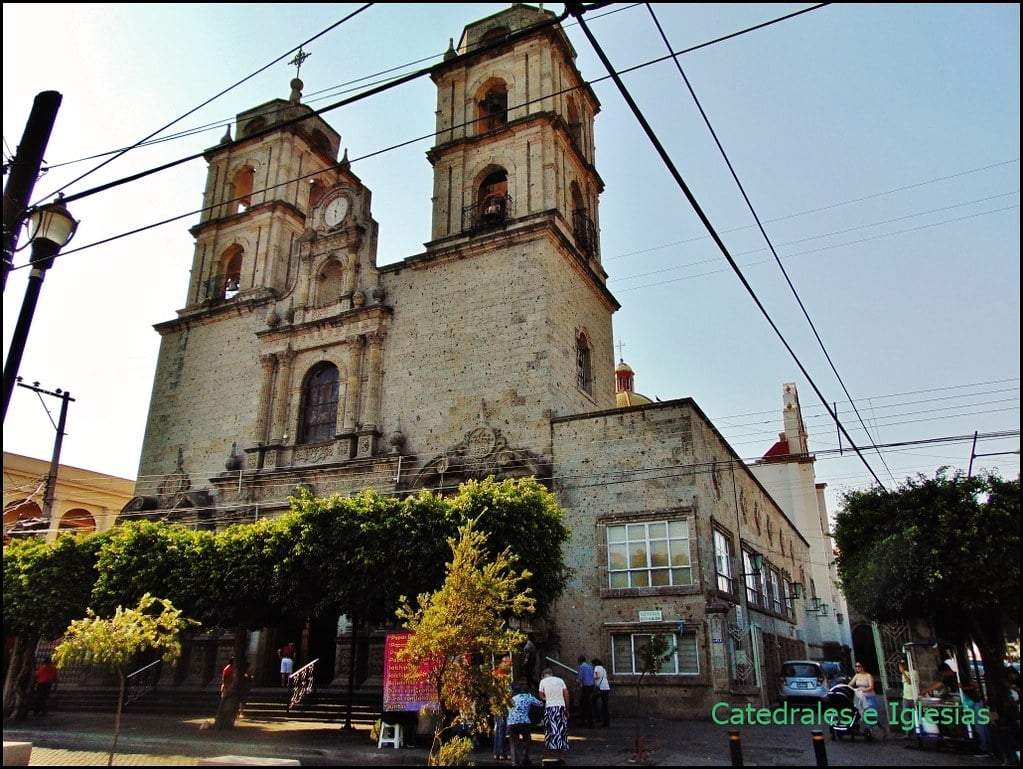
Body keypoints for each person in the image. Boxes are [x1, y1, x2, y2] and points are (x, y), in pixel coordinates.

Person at [506, 682, 543, 767]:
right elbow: (540, 704)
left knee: (513, 743)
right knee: (527, 740)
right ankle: (525, 758)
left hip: (512, 722)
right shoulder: (528, 697)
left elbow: (508, 709)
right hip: (524, 722)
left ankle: (515, 762)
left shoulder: (512, 699)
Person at [538, 667, 570, 758]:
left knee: (550, 729)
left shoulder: (543, 682)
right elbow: (566, 694)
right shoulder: (560, 680)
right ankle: (561, 752)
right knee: (561, 729)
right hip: (561, 706)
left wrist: (546, 698)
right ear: (551, 674)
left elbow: (541, 694)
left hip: (550, 707)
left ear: (544, 675)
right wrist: (567, 709)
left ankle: (550, 752)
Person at [492, 654, 512, 760]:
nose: (509, 664)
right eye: (508, 662)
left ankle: (500, 752)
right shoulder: (499, 674)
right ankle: (499, 752)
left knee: (503, 729)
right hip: (500, 705)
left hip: (502, 705)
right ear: (503, 662)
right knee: (501, 728)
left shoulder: (503, 674)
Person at [897, 658, 919, 736]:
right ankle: (908, 733)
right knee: (906, 716)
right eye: (900, 666)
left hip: (914, 697)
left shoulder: (914, 672)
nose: (900, 667)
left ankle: (917, 731)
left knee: (916, 715)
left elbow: (909, 682)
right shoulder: (904, 673)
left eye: (902, 665)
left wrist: (903, 672)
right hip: (906, 697)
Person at [577, 655, 595, 727]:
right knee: (589, 703)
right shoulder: (590, 666)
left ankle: (585, 721)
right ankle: (590, 721)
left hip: (586, 687)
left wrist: (578, 682)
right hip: (591, 686)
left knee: (584, 703)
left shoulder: (581, 667)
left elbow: (580, 677)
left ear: (579, 661)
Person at [592, 657, 611, 727]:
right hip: (606, 687)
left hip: (601, 688)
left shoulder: (597, 667)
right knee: (605, 705)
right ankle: (606, 721)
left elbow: (597, 676)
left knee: (592, 700)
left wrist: (593, 677)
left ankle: (598, 717)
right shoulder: (603, 669)